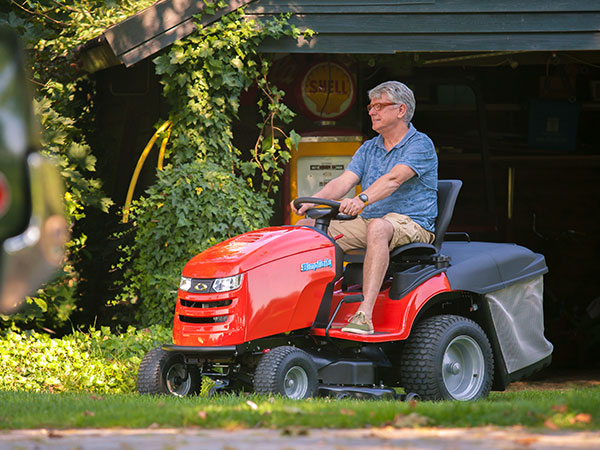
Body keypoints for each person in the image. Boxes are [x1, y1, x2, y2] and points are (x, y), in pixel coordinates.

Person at [291, 80, 438, 335]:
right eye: (371, 106)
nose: (371, 111)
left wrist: (361, 200)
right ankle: (303, 310)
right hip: (370, 221)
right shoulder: (369, 147)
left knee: (378, 228)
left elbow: (393, 180)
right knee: (305, 230)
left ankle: (364, 315)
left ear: (401, 110)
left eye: (379, 106)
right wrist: (310, 200)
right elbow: (343, 181)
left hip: (411, 223)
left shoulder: (420, 145)